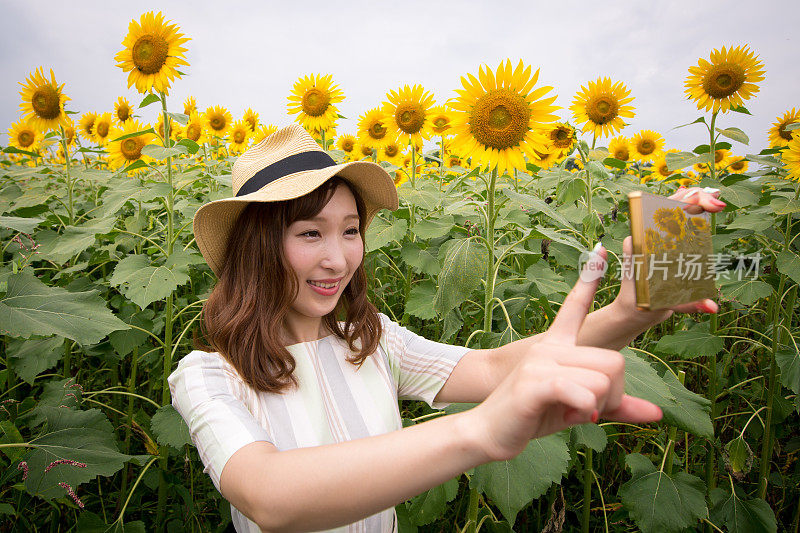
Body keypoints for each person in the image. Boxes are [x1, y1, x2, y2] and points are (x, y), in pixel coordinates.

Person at [168, 123, 725, 533]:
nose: (339, 258)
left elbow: (491, 367)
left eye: (351, 230)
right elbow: (270, 496)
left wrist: (635, 310)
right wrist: (479, 432)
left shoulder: (370, 341)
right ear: (257, 248)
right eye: (310, 234)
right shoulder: (210, 376)